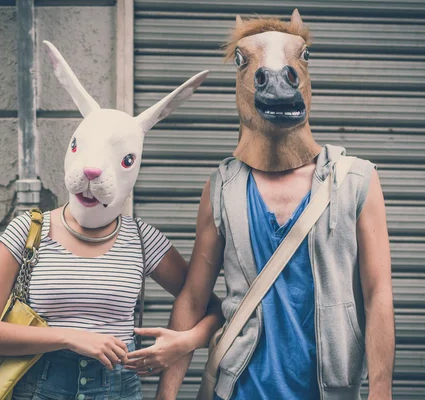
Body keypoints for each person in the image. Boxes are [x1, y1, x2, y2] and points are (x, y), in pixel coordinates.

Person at [137, 10, 395, 400]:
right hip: (239, 388)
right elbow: (192, 297)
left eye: (300, 58)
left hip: (330, 391)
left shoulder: (357, 181)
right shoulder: (222, 187)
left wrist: (381, 390)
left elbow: (377, 292)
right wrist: (165, 396)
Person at [0, 41, 223, 400]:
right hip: (40, 386)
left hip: (118, 388)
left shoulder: (142, 239)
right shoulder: (29, 231)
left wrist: (182, 343)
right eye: (79, 148)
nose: (90, 171)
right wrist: (70, 336)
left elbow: (211, 306)